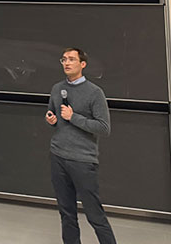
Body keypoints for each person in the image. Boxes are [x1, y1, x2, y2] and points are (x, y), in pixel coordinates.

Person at [44, 47, 116, 244]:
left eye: (72, 59)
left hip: (82, 160)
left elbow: (103, 127)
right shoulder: (57, 88)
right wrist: (52, 119)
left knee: (94, 214)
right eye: (64, 59)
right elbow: (55, 115)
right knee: (66, 213)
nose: (67, 63)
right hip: (58, 156)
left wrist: (73, 117)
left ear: (82, 64)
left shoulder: (95, 93)